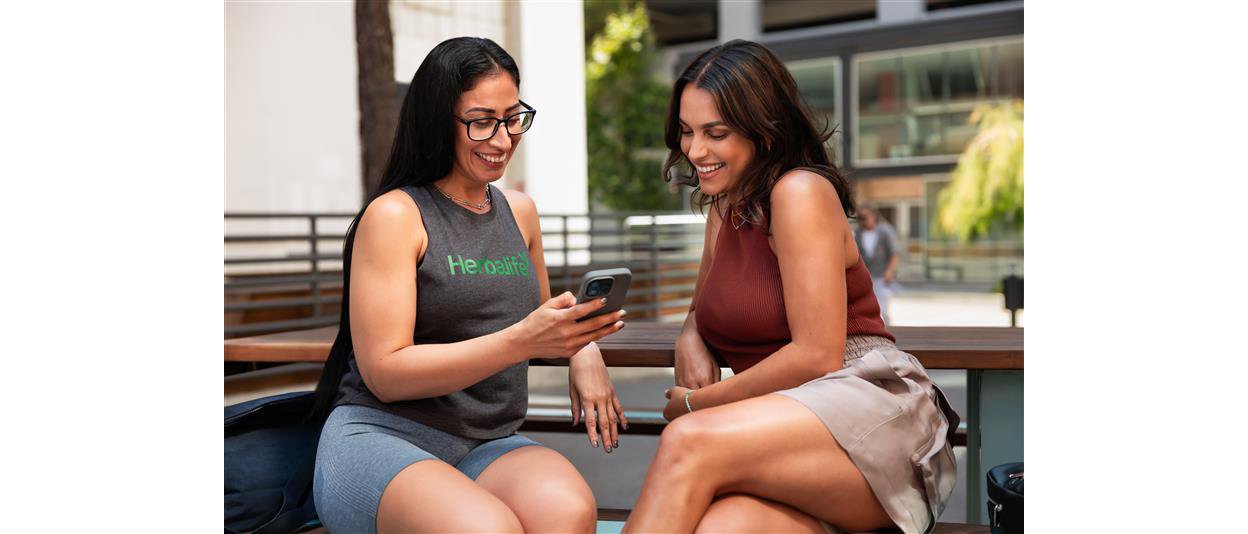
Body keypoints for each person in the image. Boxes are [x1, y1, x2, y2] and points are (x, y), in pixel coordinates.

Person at [622, 40, 959, 534]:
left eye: (716, 133)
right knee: (722, 527)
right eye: (687, 132)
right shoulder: (725, 204)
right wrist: (690, 334)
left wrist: (695, 404)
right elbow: (704, 305)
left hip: (867, 415)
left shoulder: (799, 192)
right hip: (784, 434)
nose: (695, 152)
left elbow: (816, 356)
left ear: (764, 129)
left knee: (688, 438)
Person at [307, 37, 628, 534]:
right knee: (486, 529)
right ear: (440, 120)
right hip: (381, 439)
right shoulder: (396, 215)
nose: (502, 139)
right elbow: (386, 373)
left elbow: (543, 310)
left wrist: (582, 350)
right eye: (481, 121)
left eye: (513, 117)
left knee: (569, 512)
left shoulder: (519, 211)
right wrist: (520, 342)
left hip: (486, 441)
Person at [855, 206, 902, 325]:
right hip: (865, 277)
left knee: (883, 309)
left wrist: (890, 271)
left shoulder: (885, 231)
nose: (863, 221)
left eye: (866, 217)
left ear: (873, 215)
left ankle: (888, 331)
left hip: (881, 276)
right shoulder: (858, 234)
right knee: (866, 309)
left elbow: (895, 253)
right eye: (860, 218)